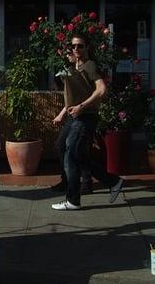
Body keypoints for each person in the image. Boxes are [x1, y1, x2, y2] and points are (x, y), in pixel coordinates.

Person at [51, 34, 124, 210]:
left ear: (87, 48)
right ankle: (113, 181)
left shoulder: (90, 65)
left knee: (71, 154)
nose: (76, 49)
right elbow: (73, 96)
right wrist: (62, 113)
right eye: (73, 46)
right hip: (73, 116)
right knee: (63, 148)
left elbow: (102, 90)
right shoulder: (74, 67)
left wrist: (82, 107)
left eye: (80, 46)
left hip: (85, 117)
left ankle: (73, 200)